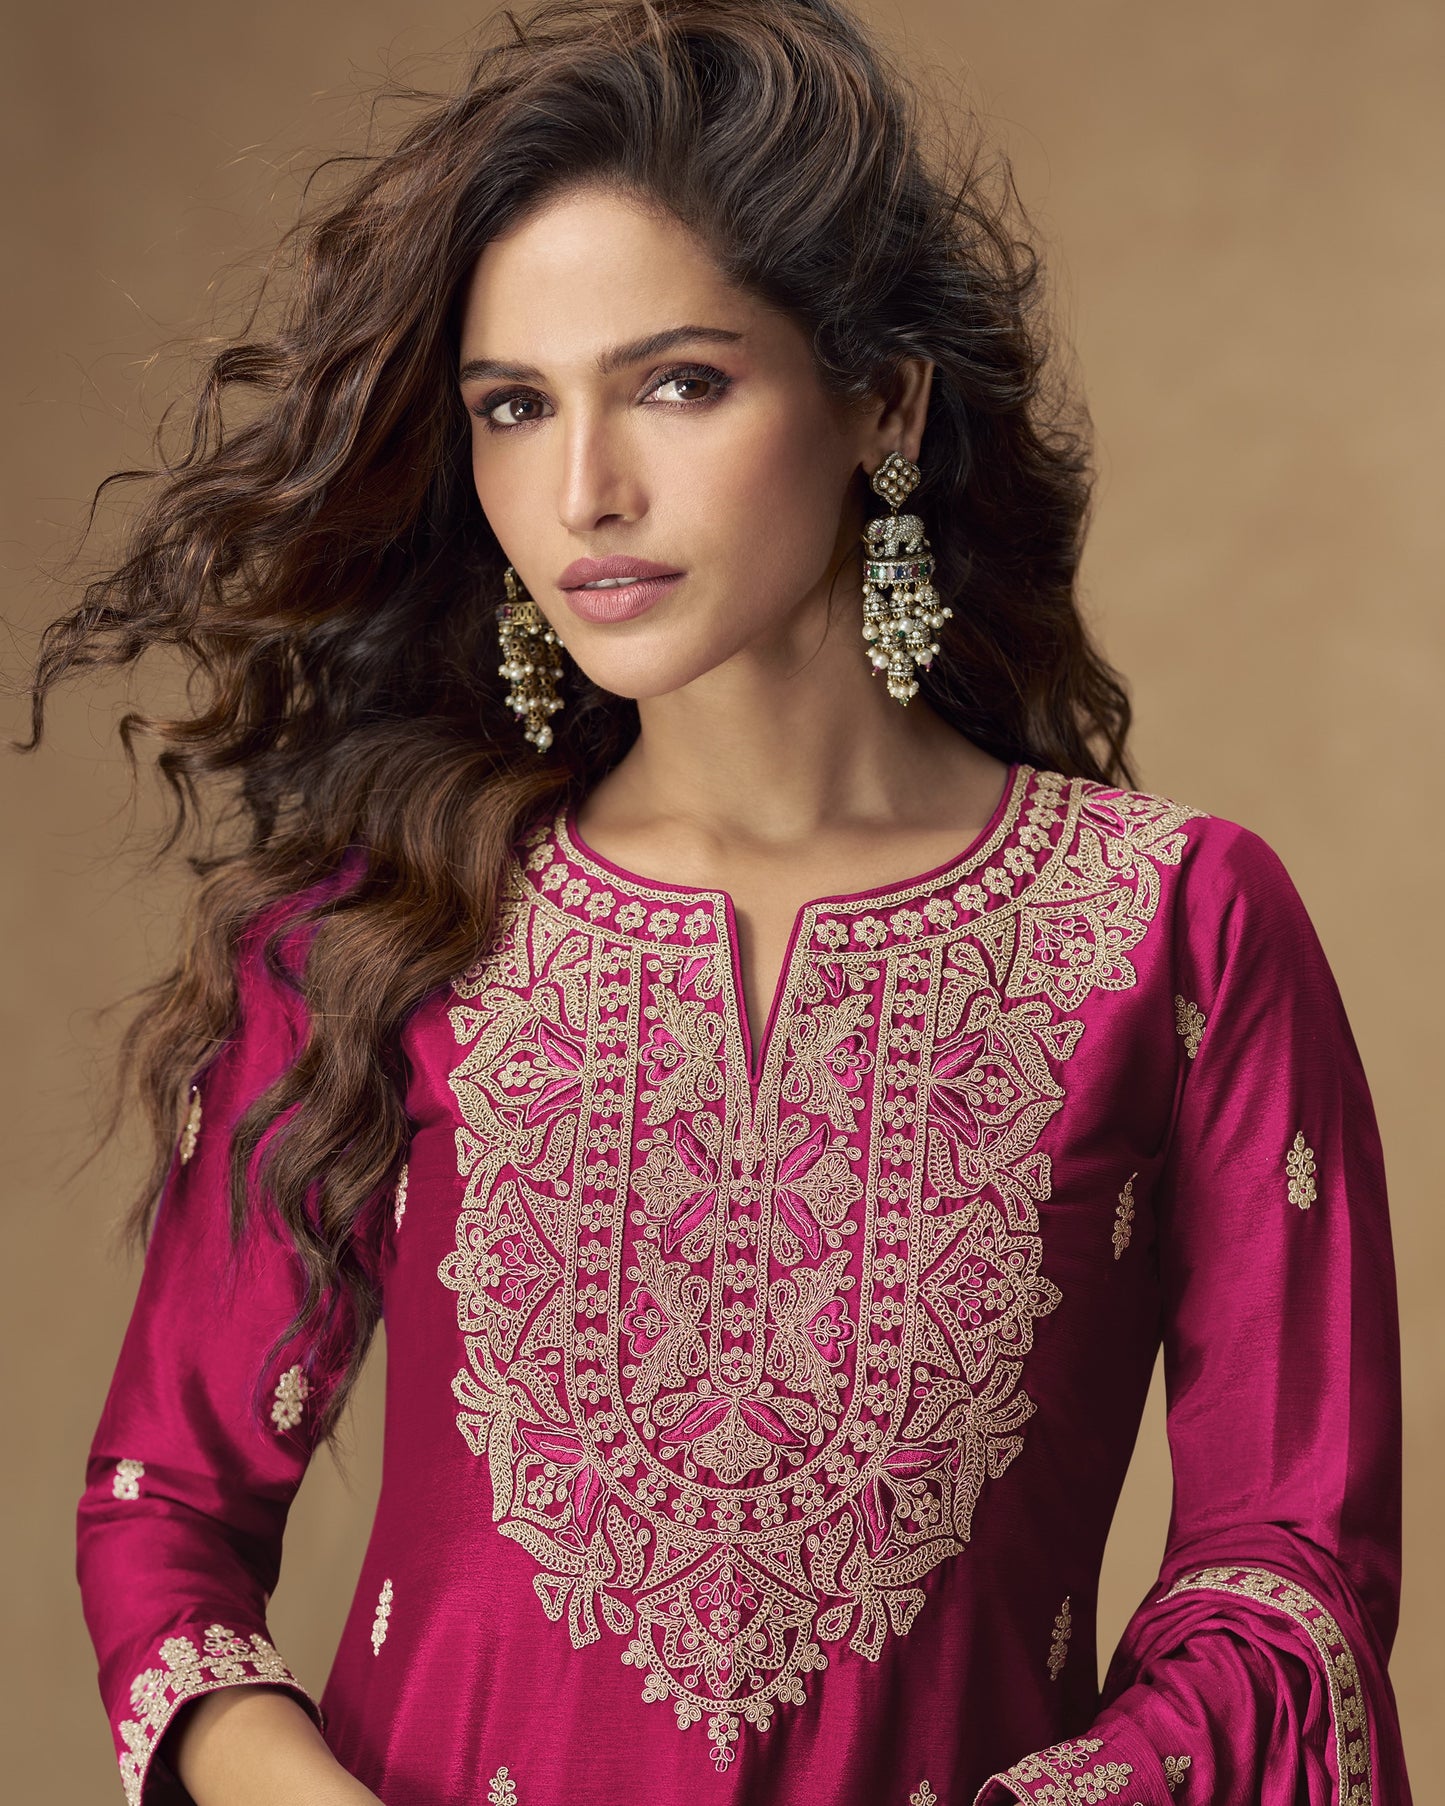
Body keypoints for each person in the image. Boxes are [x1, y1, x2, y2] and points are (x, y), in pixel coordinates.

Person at [27, 1, 1411, 1801]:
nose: (583, 489)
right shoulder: (377, 934)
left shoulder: (1177, 930)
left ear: (881, 403)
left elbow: (1283, 1574)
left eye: (676, 381)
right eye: (513, 408)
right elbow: (164, 1523)